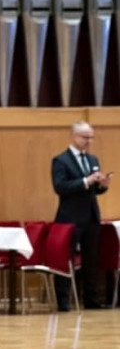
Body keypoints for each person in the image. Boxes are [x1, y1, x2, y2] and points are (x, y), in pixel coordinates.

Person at [51, 121, 110, 311]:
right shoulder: (60, 160)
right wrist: (85, 181)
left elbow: (93, 190)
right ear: (74, 136)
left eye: (91, 137)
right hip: (70, 217)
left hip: (91, 216)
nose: (89, 141)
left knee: (91, 259)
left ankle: (91, 299)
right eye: (85, 137)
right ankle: (63, 301)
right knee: (65, 258)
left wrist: (102, 185)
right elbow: (60, 187)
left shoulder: (93, 160)